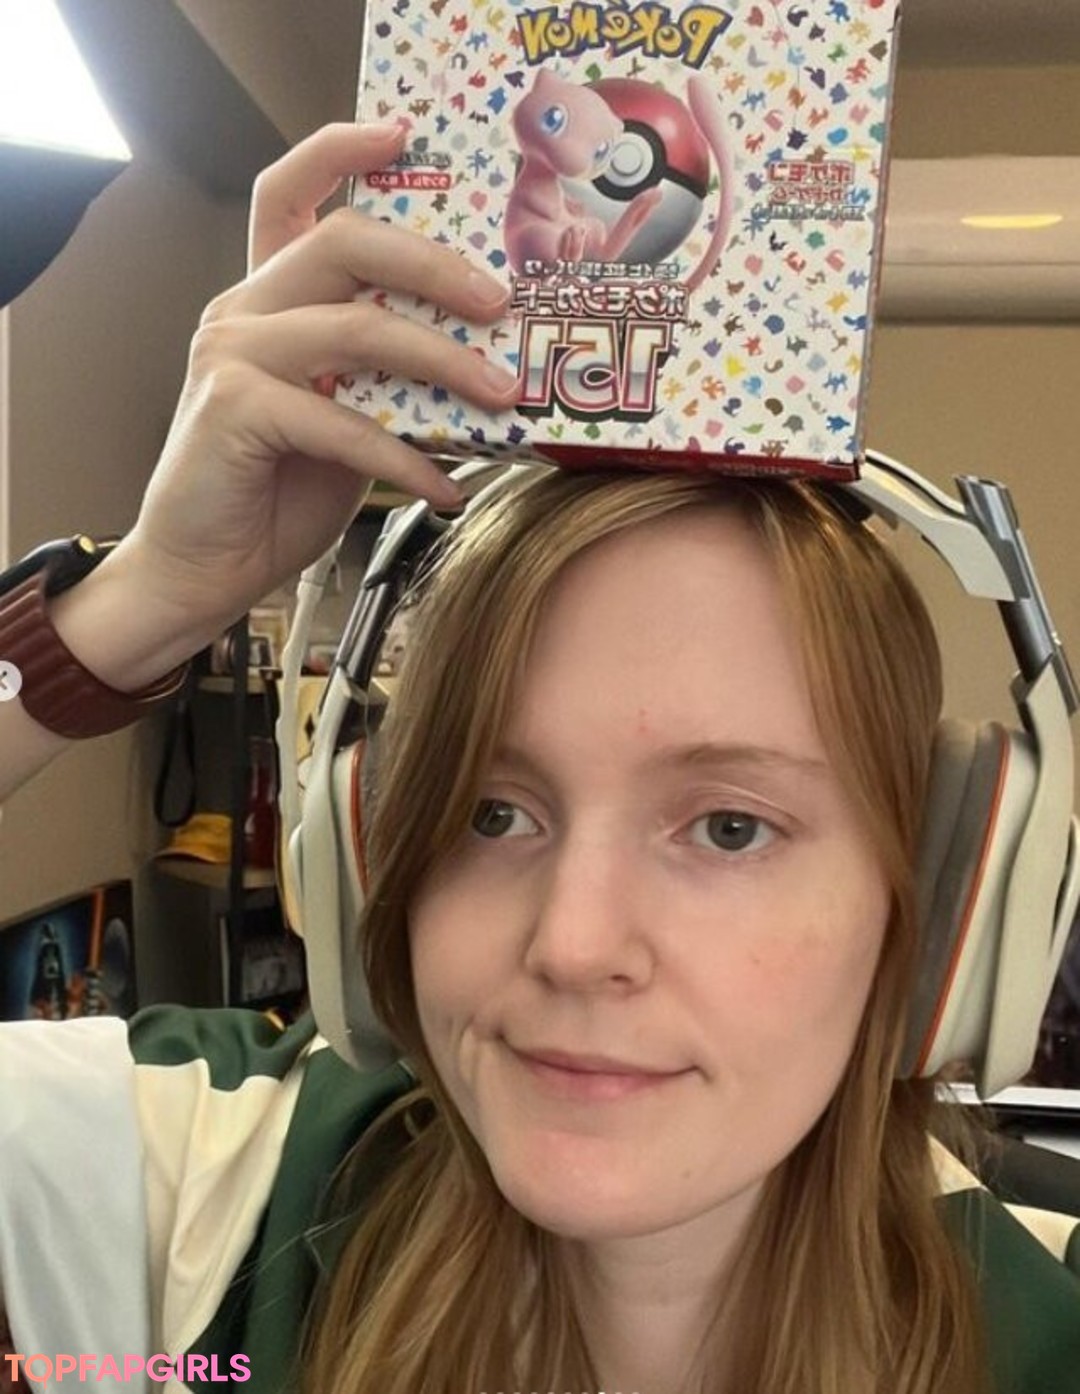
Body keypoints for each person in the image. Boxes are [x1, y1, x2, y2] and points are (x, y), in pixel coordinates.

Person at [0, 125, 1078, 1394]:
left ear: (937, 906)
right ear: (368, 855)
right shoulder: (199, 1192)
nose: (573, 943)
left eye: (729, 826)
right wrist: (139, 601)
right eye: (491, 811)